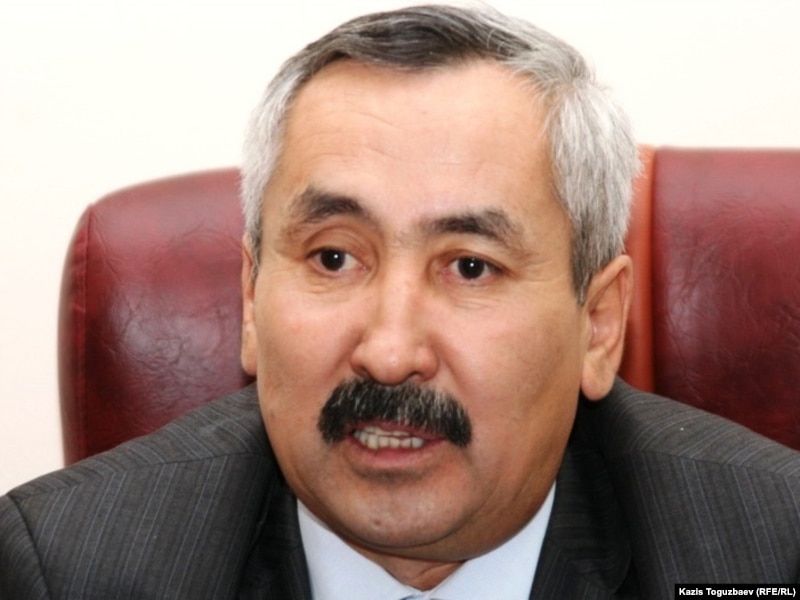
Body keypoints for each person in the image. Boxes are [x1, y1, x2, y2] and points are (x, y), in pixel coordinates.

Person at [2, 4, 799, 599]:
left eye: (470, 268)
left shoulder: (771, 554)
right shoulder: (66, 571)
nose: (388, 353)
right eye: (334, 257)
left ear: (597, 324)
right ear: (249, 299)